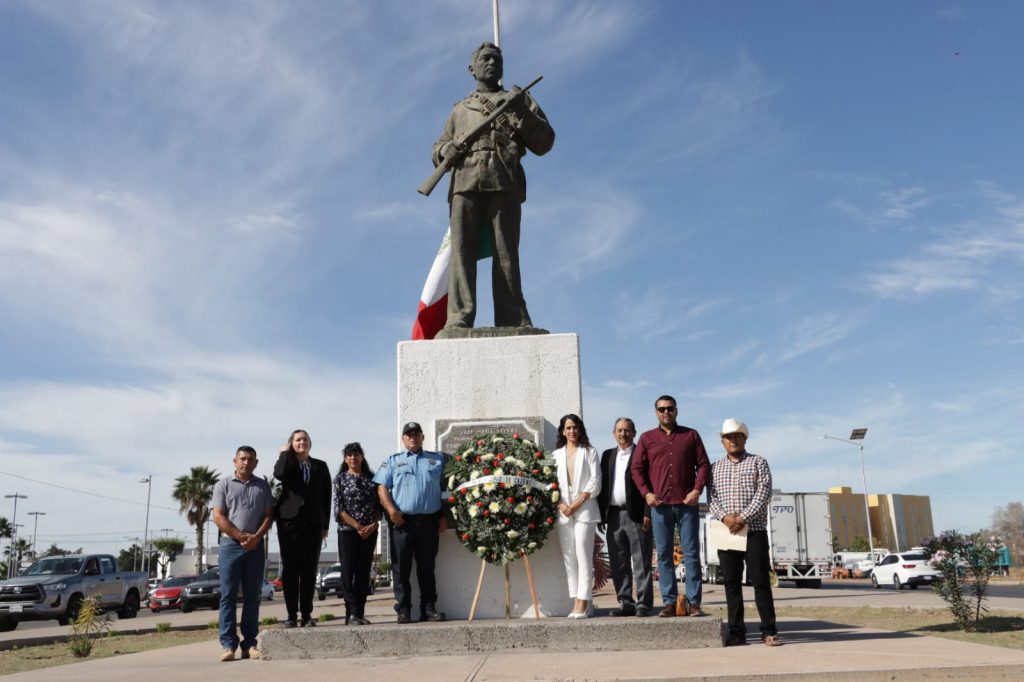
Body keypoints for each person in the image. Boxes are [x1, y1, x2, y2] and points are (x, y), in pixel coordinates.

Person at [431, 42, 555, 334]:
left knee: (506, 254)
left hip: (504, 179)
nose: (492, 63)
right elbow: (438, 146)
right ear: (471, 68)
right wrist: (445, 150)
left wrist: (519, 112)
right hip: (465, 182)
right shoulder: (460, 109)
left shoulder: (519, 100)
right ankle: (459, 316)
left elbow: (545, 142)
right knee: (462, 252)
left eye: (497, 59)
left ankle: (512, 317)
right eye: (485, 59)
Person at [631, 395, 711, 618]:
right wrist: (646, 493)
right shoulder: (647, 439)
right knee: (664, 555)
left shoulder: (691, 435)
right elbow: (636, 469)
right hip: (660, 506)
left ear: (676, 411)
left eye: (670, 408)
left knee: (692, 554)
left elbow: (703, 465)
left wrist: (696, 490)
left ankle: (694, 603)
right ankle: (669, 602)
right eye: (661, 409)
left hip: (687, 505)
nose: (666, 412)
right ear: (656, 412)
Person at [708, 419, 779, 646]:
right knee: (731, 583)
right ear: (722, 441)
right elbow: (711, 498)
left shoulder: (759, 462)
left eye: (737, 436)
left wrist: (742, 518)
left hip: (755, 531)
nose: (733, 440)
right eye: (728, 436)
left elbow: (764, 493)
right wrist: (726, 518)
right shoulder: (715, 467)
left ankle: (768, 631)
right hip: (727, 532)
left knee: (760, 582)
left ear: (745, 438)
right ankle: (737, 632)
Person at [374, 422, 448, 623]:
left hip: (428, 522)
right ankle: (403, 610)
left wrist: (444, 516)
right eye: (408, 434)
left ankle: (429, 608)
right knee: (401, 569)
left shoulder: (437, 460)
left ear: (422, 437)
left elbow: (446, 490)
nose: (412, 437)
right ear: (403, 439)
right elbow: (381, 488)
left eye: (416, 434)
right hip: (402, 522)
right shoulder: (392, 461)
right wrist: (391, 511)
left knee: (427, 568)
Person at [211, 446, 274, 662]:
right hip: (230, 546)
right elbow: (218, 516)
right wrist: (240, 536)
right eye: (243, 459)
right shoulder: (223, 485)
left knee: (252, 597)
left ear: (256, 462)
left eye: (251, 459)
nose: (246, 462)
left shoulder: (262, 486)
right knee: (227, 596)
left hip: (255, 547)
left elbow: (268, 515)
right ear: (235, 461)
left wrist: (256, 537)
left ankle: (250, 645)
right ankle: (228, 645)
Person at [274, 429, 331, 628]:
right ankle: (291, 614)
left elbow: (326, 496)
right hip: (289, 522)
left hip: (313, 524)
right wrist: (284, 453)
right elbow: (278, 474)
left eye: (305, 439)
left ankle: (306, 614)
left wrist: (325, 526)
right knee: (290, 570)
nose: (302, 442)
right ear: (291, 443)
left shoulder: (320, 466)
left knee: (309, 570)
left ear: (310, 443)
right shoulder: (287, 463)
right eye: (298, 440)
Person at [597, 418, 654, 617]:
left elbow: (650, 485)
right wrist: (600, 515)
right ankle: (626, 602)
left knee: (641, 561)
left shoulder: (643, 454)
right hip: (612, 516)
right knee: (618, 562)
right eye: (620, 430)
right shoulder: (607, 456)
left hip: (637, 516)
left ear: (634, 433)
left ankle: (644, 604)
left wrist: (648, 512)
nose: (623, 434)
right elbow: (602, 487)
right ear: (614, 434)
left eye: (627, 430)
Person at [552, 414, 602, 618]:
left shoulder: (590, 452)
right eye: (568, 428)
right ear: (563, 431)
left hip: (584, 510)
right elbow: (551, 484)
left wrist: (577, 503)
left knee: (583, 554)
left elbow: (596, 481)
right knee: (569, 558)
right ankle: (576, 600)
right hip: (564, 512)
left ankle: (584, 602)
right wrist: (561, 504)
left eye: (575, 427)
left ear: (580, 430)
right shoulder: (555, 455)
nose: (572, 431)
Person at [333, 441, 381, 625]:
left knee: (363, 573)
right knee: (348, 573)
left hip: (369, 533)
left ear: (362, 456)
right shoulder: (340, 480)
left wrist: (373, 525)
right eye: (349, 455)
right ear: (345, 458)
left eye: (356, 454)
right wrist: (358, 526)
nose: (353, 457)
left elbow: (379, 506)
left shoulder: (372, 479)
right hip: (348, 532)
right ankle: (350, 612)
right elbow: (339, 510)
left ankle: (359, 612)